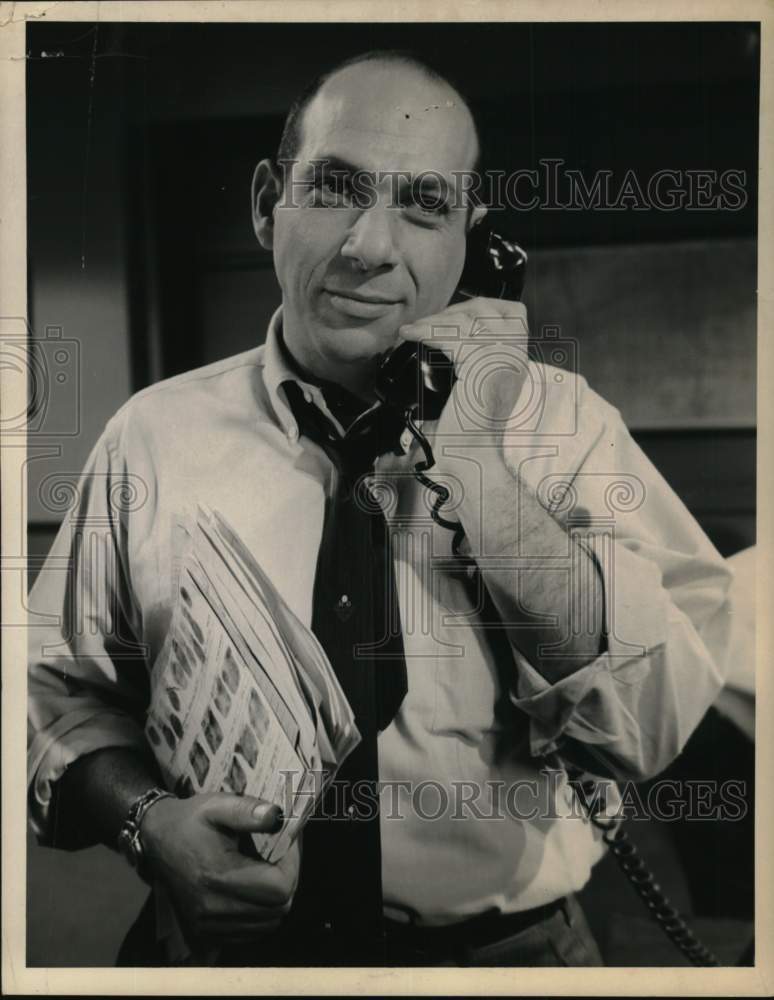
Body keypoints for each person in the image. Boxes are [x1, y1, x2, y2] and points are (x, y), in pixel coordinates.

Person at [27, 50, 732, 968]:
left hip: (506, 956)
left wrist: (479, 468)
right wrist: (144, 821)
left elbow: (654, 721)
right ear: (264, 203)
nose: (368, 245)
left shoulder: (571, 429)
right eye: (334, 190)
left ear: (474, 246)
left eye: (424, 205)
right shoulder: (149, 437)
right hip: (216, 955)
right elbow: (47, 690)